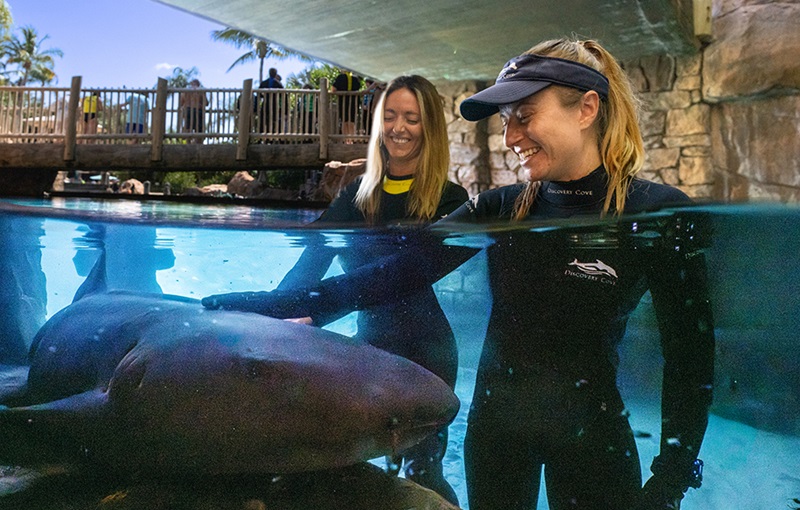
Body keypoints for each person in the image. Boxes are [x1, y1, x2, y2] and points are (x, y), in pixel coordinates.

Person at [203, 38, 715, 510]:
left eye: (525, 116)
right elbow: (391, 276)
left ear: (586, 108)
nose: (510, 136)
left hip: (595, 435)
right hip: (497, 436)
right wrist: (252, 305)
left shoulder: (659, 215)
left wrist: (670, 479)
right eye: (507, 121)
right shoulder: (497, 208)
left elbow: (690, 357)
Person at [217, 75, 467, 505]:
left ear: (430, 128)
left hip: (426, 352)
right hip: (368, 346)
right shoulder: (356, 196)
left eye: (411, 117)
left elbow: (400, 274)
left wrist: (314, 311)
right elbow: (312, 260)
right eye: (389, 116)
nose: (398, 128)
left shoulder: (449, 198)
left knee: (424, 469)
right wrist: (271, 318)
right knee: (352, 465)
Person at [332, 70, 363, 143]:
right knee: (351, 121)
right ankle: (352, 139)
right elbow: (358, 88)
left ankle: (346, 140)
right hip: (353, 103)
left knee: (344, 121)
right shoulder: (355, 79)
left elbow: (333, 89)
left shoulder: (340, 77)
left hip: (343, 102)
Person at [180, 79, 208, 144]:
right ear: (198, 84)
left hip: (188, 110)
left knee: (188, 129)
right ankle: (198, 145)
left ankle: (188, 144)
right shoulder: (201, 91)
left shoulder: (185, 91)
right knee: (199, 130)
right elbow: (206, 103)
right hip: (199, 110)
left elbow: (181, 103)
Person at [258, 67, 284, 136]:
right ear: (275, 74)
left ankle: (261, 137)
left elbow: (259, 93)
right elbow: (283, 95)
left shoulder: (264, 83)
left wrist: (264, 96)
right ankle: (271, 137)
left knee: (263, 120)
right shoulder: (278, 84)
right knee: (273, 120)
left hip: (266, 103)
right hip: (274, 103)